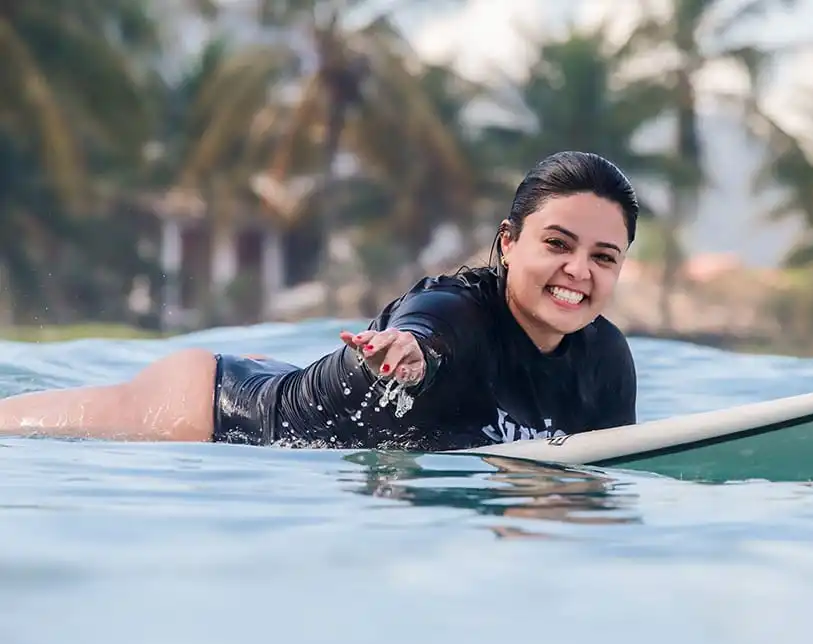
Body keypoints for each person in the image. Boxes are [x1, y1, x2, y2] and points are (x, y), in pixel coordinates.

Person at [0, 150, 639, 451]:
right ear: (509, 242)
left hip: (286, 380)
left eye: (603, 257)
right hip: (215, 412)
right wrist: (409, 353)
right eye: (558, 243)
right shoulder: (458, 312)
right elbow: (425, 331)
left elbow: (609, 466)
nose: (578, 271)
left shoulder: (606, 361)